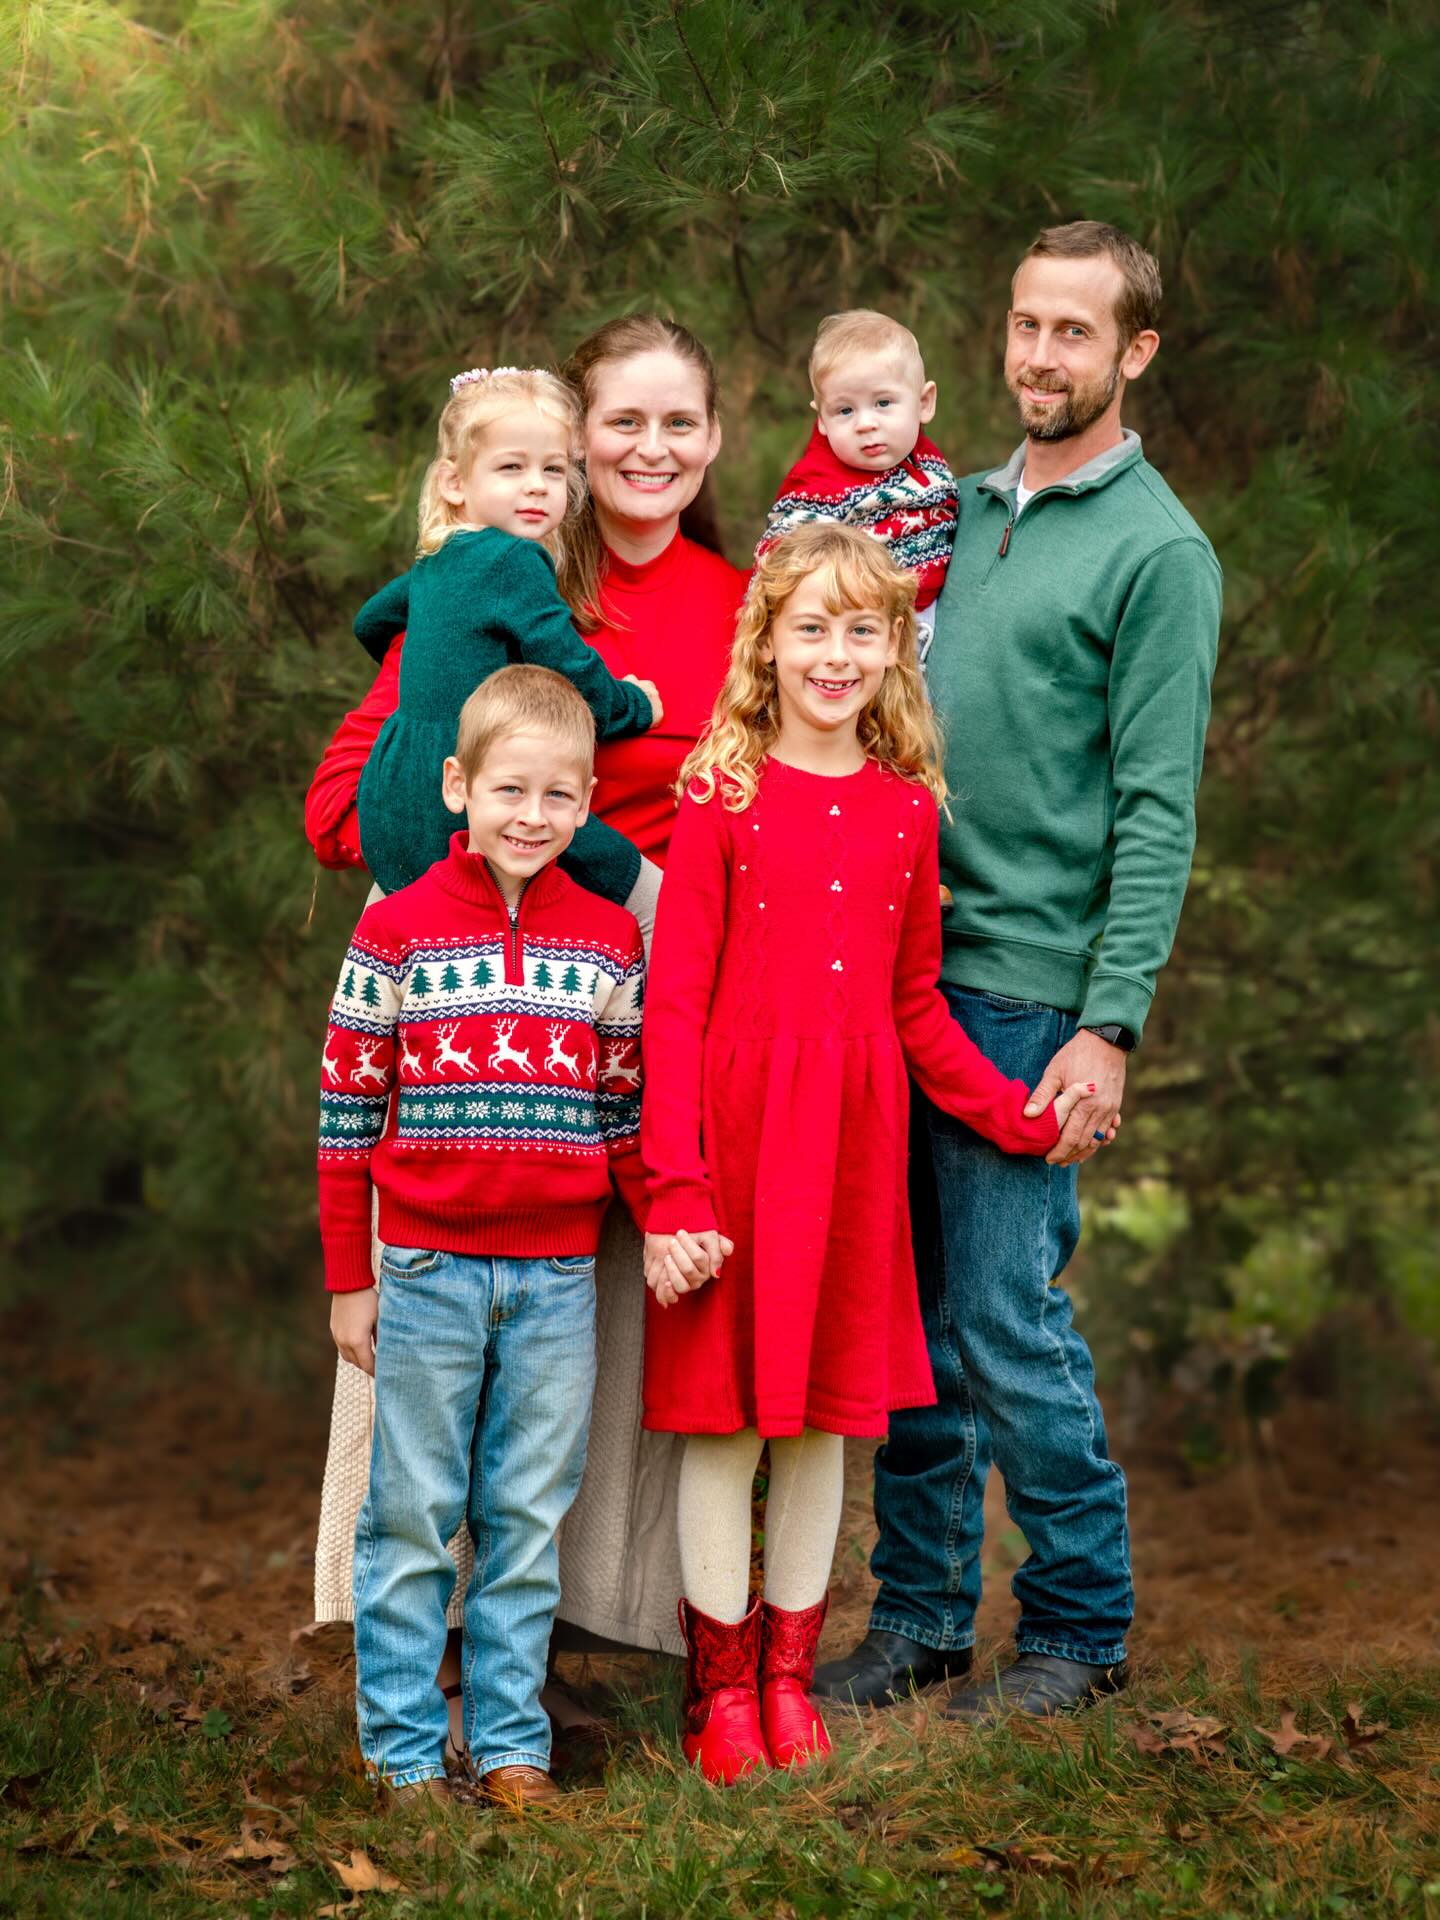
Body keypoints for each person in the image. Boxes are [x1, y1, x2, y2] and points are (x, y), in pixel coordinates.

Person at [306, 318, 747, 1731]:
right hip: (483, 962)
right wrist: (449, 862)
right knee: (447, 1285)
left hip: (655, 968)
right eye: (621, 423)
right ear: (570, 443)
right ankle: (421, 1640)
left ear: (714, 439)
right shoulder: (503, 573)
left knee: (596, 1307)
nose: (647, 451)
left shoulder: (743, 601)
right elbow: (346, 796)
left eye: (677, 423)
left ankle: (577, 1633)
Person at [813, 220, 1222, 1724]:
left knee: (1002, 1316)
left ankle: (1080, 1630)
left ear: (1135, 352)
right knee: (911, 1320)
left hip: (1027, 992)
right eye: (1025, 323)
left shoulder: (1159, 552)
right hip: (899, 965)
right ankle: (921, 1619)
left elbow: (1157, 809)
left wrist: (1108, 1025)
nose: (1041, 356)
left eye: (1075, 331)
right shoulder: (955, 509)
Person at [639, 524, 1105, 1784]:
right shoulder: (722, 796)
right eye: (811, 628)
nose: (835, 655)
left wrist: (1016, 1116)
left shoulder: (906, 811)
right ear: (767, 644)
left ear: (897, 646)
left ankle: (790, 1681)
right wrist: (674, 1186)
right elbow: (673, 1010)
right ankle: (720, 1692)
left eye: (863, 629)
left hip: (851, 1156)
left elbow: (915, 1011)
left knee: (818, 1429)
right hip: (736, 1148)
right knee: (728, 1425)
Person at [320, 665, 649, 1810]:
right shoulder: (397, 931)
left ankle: (512, 1747)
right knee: (412, 1513)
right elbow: (345, 1117)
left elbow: (623, 1114)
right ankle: (406, 1753)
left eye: (560, 795)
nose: (533, 815)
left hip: (558, 1275)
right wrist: (350, 1278)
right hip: (426, 1268)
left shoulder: (608, 940)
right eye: (510, 789)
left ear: (588, 802)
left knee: (525, 1515)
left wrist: (667, 1223)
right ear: (458, 786)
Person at [348, 364, 659, 900]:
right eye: (511, 466)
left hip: (395, 790)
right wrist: (632, 705)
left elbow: (370, 621)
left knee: (420, 925)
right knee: (652, 902)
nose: (536, 485)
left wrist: (432, 671)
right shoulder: (512, 559)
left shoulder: (438, 559)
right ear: (454, 482)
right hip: (478, 788)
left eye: (553, 469)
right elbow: (570, 665)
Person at [756, 311, 958, 657]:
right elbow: (777, 563)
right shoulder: (818, 485)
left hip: (929, 624)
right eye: (845, 411)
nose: (865, 423)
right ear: (822, 419)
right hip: (852, 636)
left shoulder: (928, 466)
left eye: (883, 403)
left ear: (924, 403)